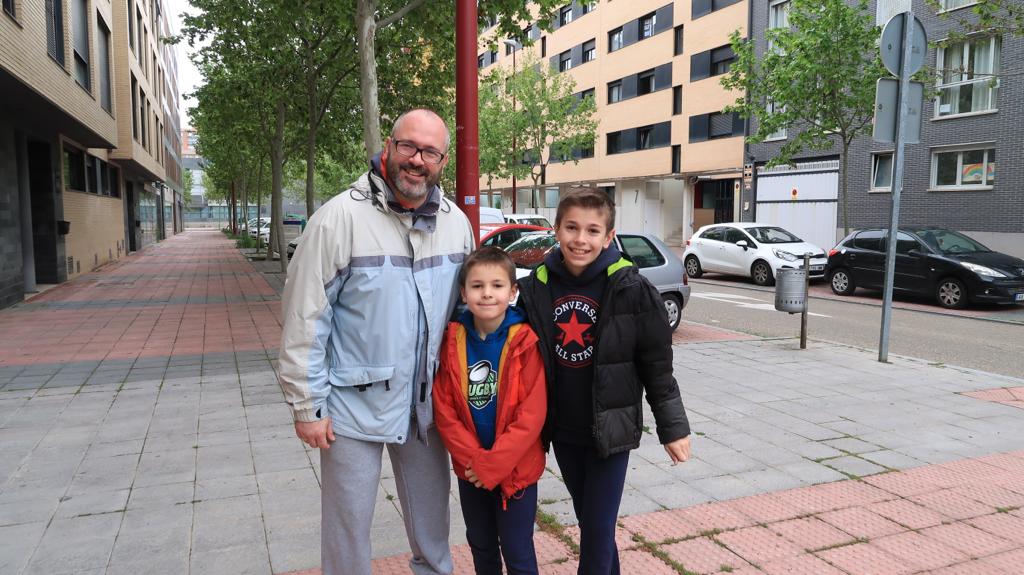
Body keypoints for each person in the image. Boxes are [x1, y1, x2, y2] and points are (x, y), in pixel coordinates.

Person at [278, 108, 474, 575]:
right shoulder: (337, 219)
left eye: (430, 152)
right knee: (347, 528)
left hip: (425, 406)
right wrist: (306, 406)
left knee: (433, 526)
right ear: (388, 146)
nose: (417, 160)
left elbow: (470, 314)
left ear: (442, 161)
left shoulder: (455, 224)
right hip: (351, 405)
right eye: (408, 146)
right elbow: (305, 316)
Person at [516, 188, 692, 575]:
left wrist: (673, 427)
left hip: (610, 431)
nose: (581, 239)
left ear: (609, 237)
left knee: (596, 531)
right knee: (592, 525)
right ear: (557, 231)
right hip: (562, 429)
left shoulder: (632, 289)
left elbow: (657, 366)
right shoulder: (535, 288)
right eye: (572, 228)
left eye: (593, 231)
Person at [432, 247, 547, 575]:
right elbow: (445, 411)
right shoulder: (452, 340)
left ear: (512, 292)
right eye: (477, 285)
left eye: (496, 285)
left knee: (517, 549)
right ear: (463, 292)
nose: (486, 294)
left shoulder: (524, 340)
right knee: (480, 544)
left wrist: (494, 465)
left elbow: (532, 414)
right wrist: (476, 464)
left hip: (516, 471)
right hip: (471, 473)